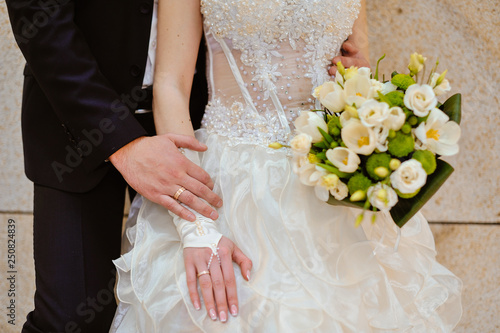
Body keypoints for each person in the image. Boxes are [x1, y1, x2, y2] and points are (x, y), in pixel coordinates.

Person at [110, 0, 462, 332]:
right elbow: (171, 85)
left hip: (332, 180)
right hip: (233, 184)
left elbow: (359, 62)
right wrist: (196, 225)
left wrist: (360, 78)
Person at [5, 0, 225, 331]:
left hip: (198, 126)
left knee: (194, 308)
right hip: (76, 129)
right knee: (70, 318)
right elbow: (40, 21)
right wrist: (121, 143)